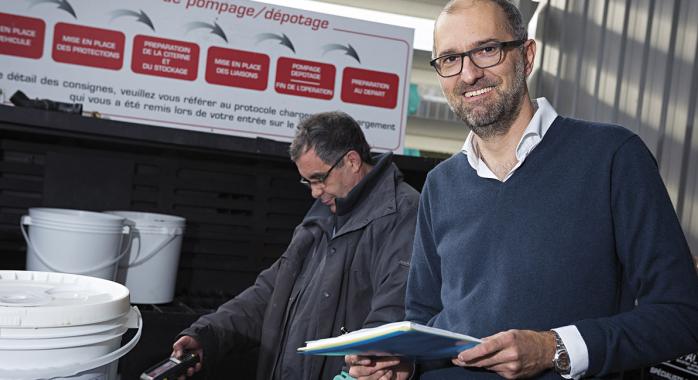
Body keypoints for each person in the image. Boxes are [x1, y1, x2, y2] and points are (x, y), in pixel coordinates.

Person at [347, 0, 698, 379]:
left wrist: (554, 348)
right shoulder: (440, 185)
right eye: (449, 59)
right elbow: (423, 322)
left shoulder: (612, 157)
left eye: (486, 50)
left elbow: (680, 315)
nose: (468, 74)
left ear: (526, 56)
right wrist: (403, 363)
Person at [171, 111, 420, 379]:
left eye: (319, 178)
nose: (314, 192)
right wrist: (208, 335)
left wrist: (364, 365)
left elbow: (393, 313)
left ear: (352, 161)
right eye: (308, 181)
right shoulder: (322, 215)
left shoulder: (404, 214)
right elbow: (268, 295)